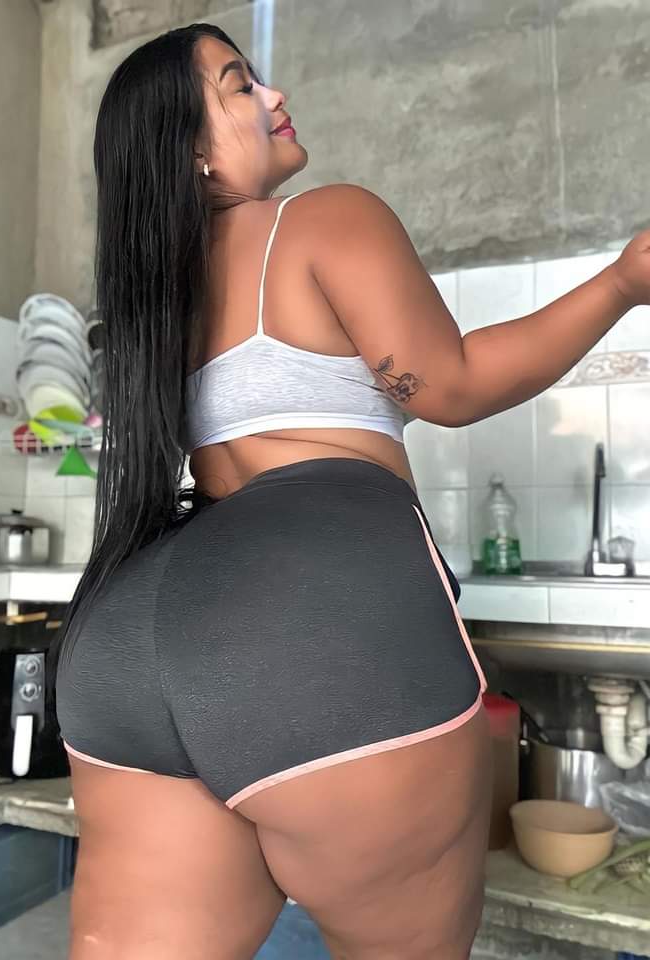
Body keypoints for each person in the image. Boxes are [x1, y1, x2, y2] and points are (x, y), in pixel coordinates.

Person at [51, 21, 650, 960]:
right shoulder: (324, 219)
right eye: (240, 85)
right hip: (312, 623)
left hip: (125, 634)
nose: (275, 97)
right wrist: (621, 280)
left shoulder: (153, 295)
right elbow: (453, 385)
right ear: (193, 151)